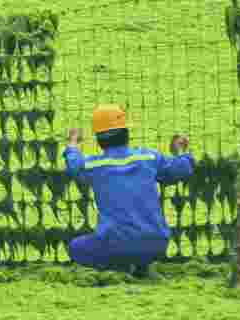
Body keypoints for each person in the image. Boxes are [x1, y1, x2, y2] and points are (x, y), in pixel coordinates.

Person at [63, 104, 194, 278]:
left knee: (76, 247)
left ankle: (121, 267)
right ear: (126, 133)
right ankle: (142, 267)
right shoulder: (148, 157)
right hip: (157, 244)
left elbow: (74, 167)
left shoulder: (95, 165)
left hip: (117, 246)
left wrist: (73, 144)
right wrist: (180, 150)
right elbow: (182, 168)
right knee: (137, 241)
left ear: (99, 140)